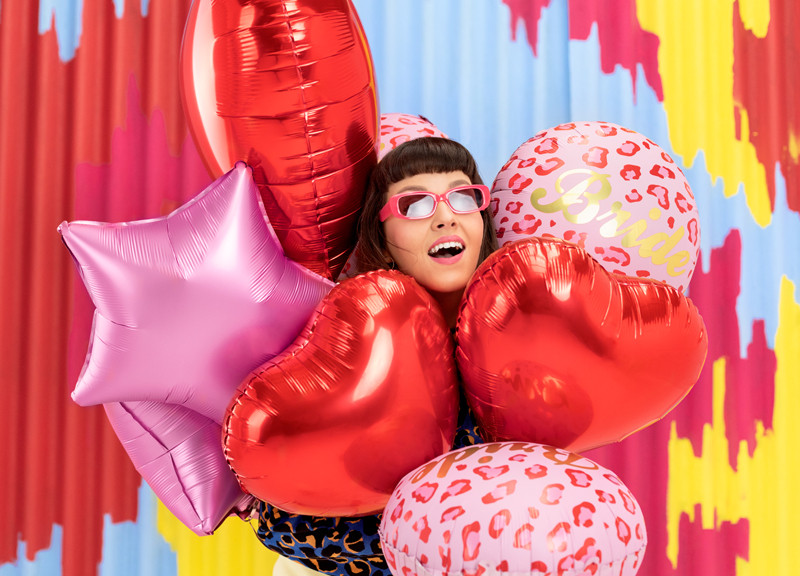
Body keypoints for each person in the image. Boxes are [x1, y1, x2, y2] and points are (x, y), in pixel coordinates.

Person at [252, 136, 497, 576]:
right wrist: (430, 544)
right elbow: (286, 524)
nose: (445, 217)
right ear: (381, 236)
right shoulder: (350, 339)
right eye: (415, 205)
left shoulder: (517, 335)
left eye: (463, 197)